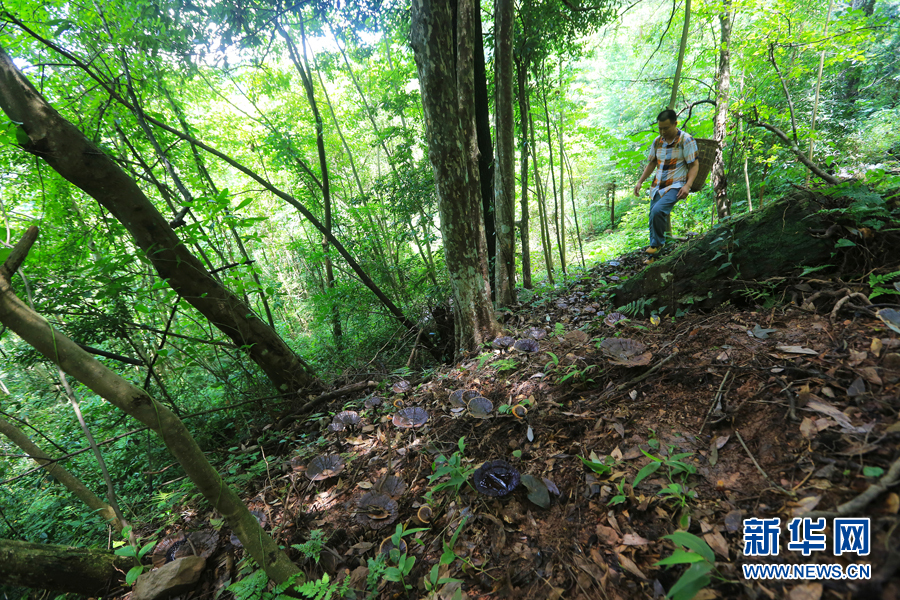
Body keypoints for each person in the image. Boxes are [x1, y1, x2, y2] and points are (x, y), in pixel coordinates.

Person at [633, 109, 699, 254]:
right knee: (652, 217)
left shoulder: (686, 140)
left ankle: (657, 245)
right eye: (660, 128)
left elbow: (694, 165)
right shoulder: (657, 141)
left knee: (658, 211)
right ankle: (653, 255)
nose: (662, 132)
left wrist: (688, 185)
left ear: (675, 123)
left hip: (676, 185)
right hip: (658, 186)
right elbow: (652, 163)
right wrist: (640, 181)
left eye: (666, 128)